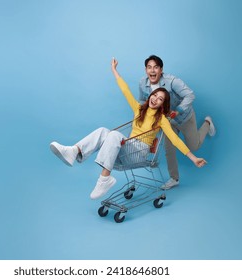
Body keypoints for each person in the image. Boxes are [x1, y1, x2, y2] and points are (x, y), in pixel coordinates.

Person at [50, 58, 207, 200]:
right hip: (124, 151)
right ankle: (74, 151)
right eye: (154, 95)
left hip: (138, 153)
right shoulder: (139, 109)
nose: (155, 99)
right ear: (150, 95)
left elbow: (174, 139)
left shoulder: (162, 119)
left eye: (160, 99)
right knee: (104, 131)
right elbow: (125, 90)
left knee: (114, 135)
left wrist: (194, 158)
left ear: (162, 105)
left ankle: (104, 179)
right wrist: (114, 70)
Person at [139, 55, 216, 190]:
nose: (152, 71)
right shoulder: (143, 84)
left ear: (161, 70)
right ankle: (174, 178)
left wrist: (178, 111)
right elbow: (142, 103)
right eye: (149, 67)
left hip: (184, 117)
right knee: (169, 149)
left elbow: (190, 95)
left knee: (194, 146)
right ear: (146, 70)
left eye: (156, 67)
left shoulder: (172, 81)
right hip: (167, 122)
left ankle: (207, 123)